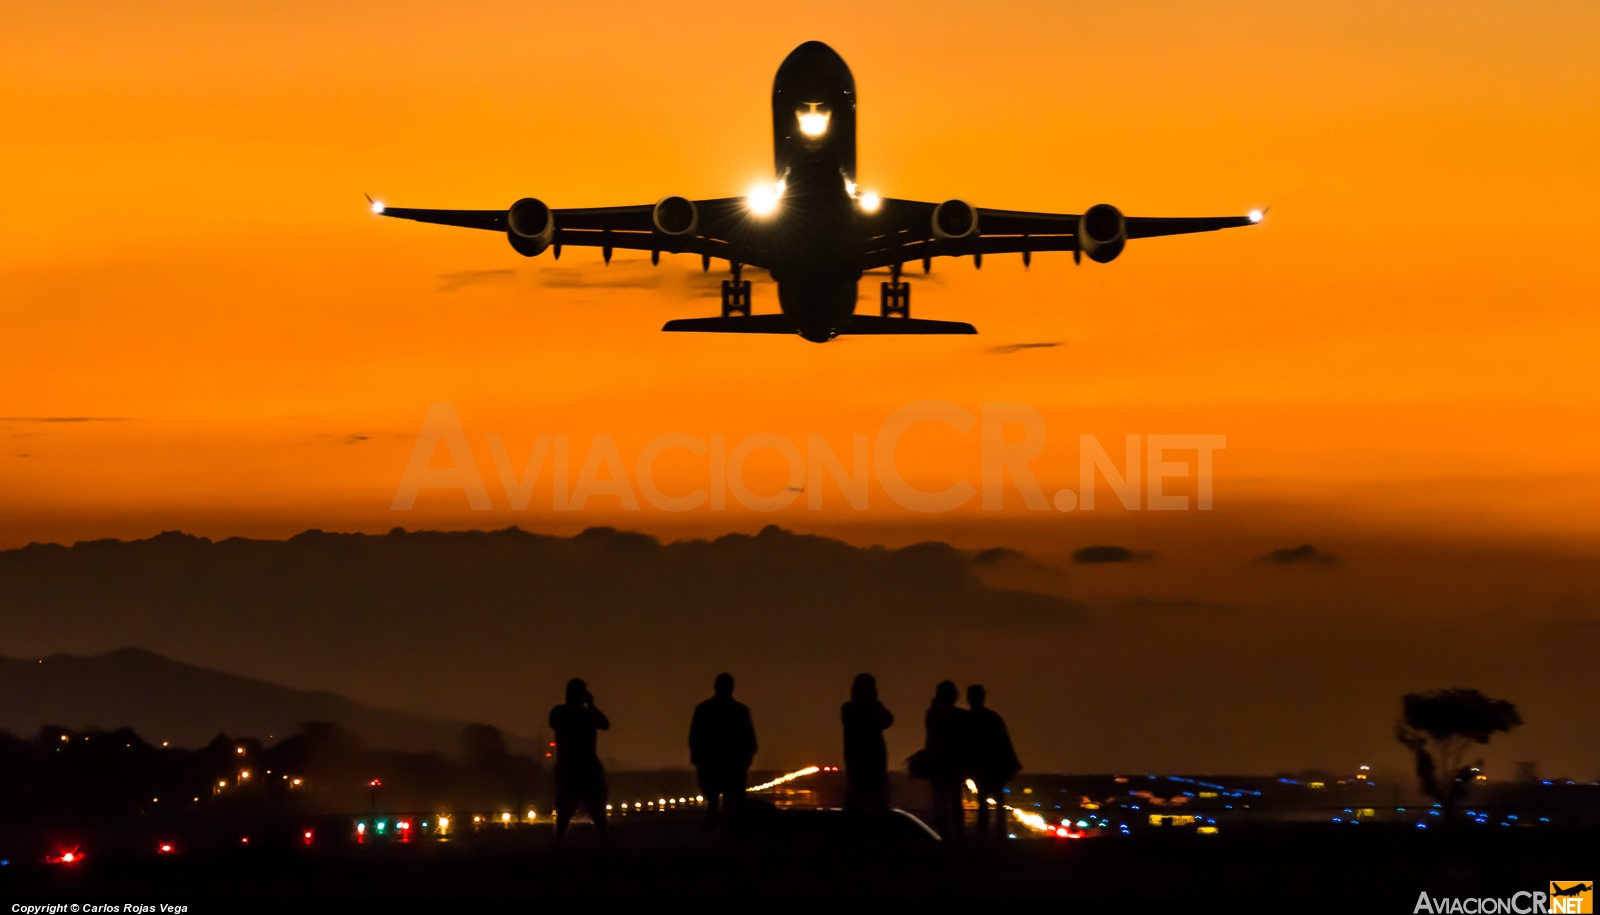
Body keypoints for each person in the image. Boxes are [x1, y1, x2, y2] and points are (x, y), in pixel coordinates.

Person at [688, 672, 757, 824]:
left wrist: (699, 759)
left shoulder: (703, 709)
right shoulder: (740, 711)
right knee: (730, 807)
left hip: (710, 765)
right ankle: (728, 840)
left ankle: (710, 839)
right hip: (733, 766)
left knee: (713, 806)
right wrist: (744, 762)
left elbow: (694, 738)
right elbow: (750, 740)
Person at [548, 677, 610, 842]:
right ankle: (606, 847)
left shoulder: (558, 712)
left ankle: (558, 848)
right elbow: (605, 724)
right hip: (587, 769)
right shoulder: (587, 714)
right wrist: (591, 704)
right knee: (597, 813)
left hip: (568, 769)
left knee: (564, 814)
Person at [965, 684, 1022, 838]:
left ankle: (982, 834)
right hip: (995, 766)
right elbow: (1004, 741)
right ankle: (1000, 833)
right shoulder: (993, 717)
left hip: (980, 766)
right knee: (998, 800)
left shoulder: (968, 719)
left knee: (983, 801)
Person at [840, 673, 894, 814]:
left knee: (857, 798)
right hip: (870, 760)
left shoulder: (848, 708)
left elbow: (887, 720)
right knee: (874, 800)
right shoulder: (858, 709)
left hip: (857, 760)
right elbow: (887, 720)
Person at [922, 679, 968, 839]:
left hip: (937, 764)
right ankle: (959, 836)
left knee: (940, 803)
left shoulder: (933, 715)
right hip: (955, 764)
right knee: (956, 802)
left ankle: (942, 836)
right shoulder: (961, 716)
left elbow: (930, 737)